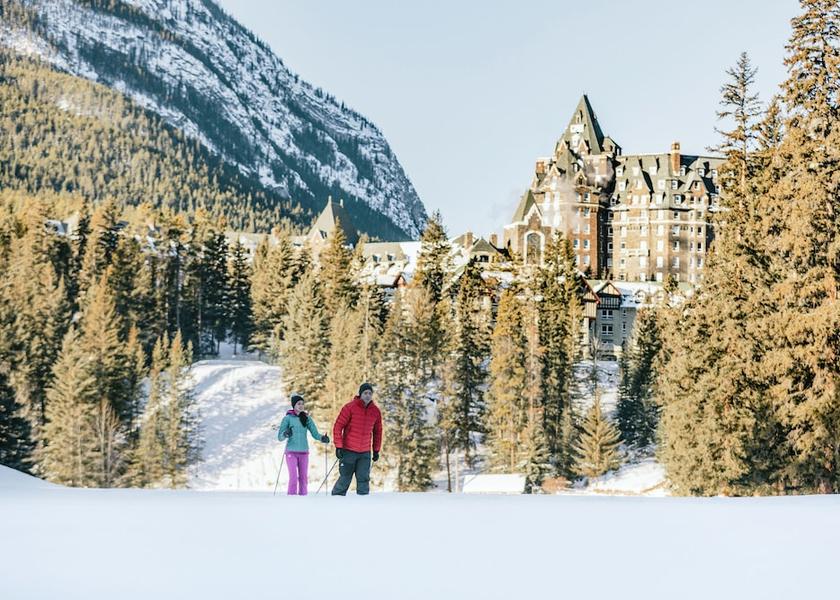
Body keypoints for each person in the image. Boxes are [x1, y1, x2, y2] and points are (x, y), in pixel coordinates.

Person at [331, 382, 382, 496]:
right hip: (349, 450)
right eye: (365, 393)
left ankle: (363, 504)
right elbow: (338, 426)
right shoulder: (350, 407)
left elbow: (378, 432)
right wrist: (339, 446)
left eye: (370, 393)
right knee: (345, 477)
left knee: (363, 479)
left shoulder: (375, 411)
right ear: (360, 394)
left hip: (365, 452)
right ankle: (335, 501)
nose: (368, 395)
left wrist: (376, 450)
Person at [277, 394, 330, 496]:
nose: (301, 406)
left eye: (302, 404)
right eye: (299, 404)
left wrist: (322, 438)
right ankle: (291, 498)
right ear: (294, 405)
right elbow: (280, 437)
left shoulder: (306, 418)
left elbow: (315, 433)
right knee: (293, 477)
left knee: (303, 478)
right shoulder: (287, 418)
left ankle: (303, 498)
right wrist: (285, 433)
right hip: (291, 452)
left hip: (303, 452)